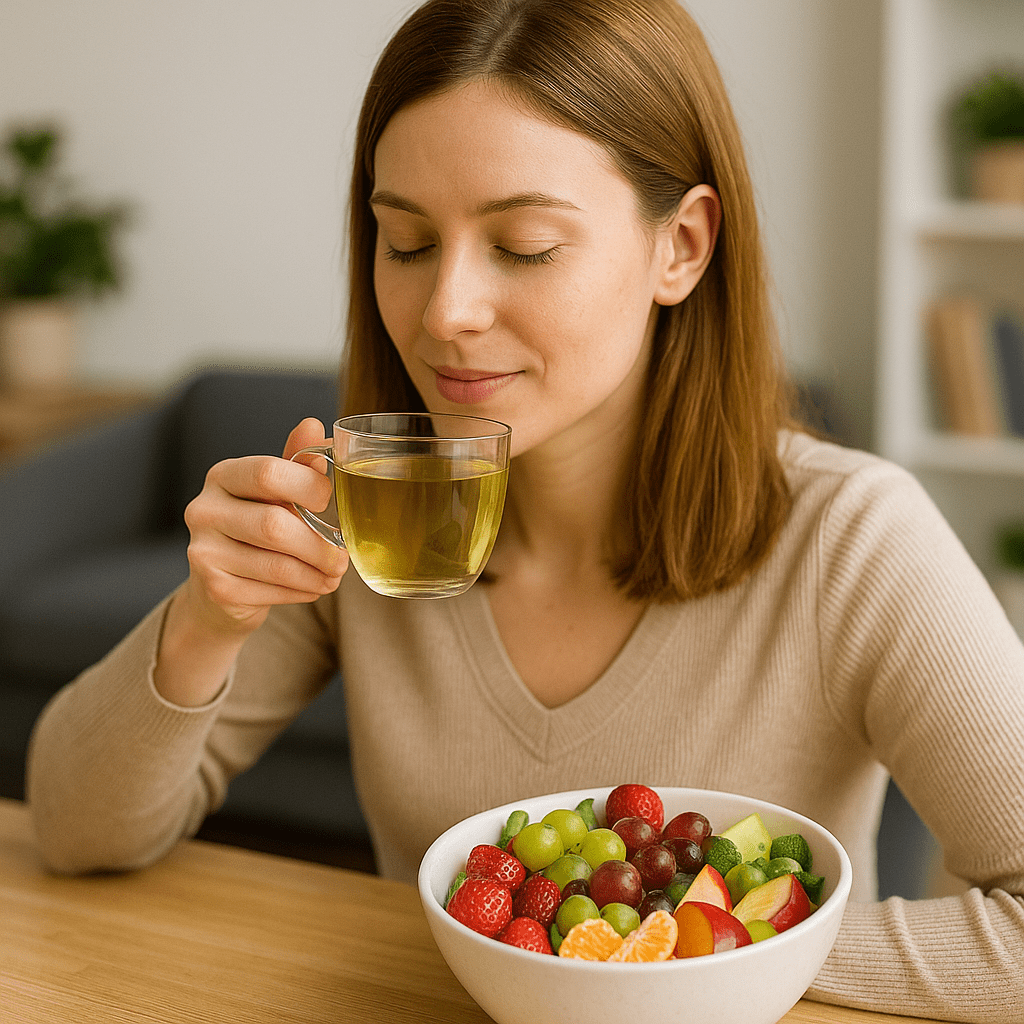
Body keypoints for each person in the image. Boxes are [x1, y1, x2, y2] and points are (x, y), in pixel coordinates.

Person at [26, 0, 1024, 1019]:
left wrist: (694, 953)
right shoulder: (377, 518)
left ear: (679, 246)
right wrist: (207, 619)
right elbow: (72, 832)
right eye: (406, 242)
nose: (445, 309)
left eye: (526, 244)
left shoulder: (852, 539)